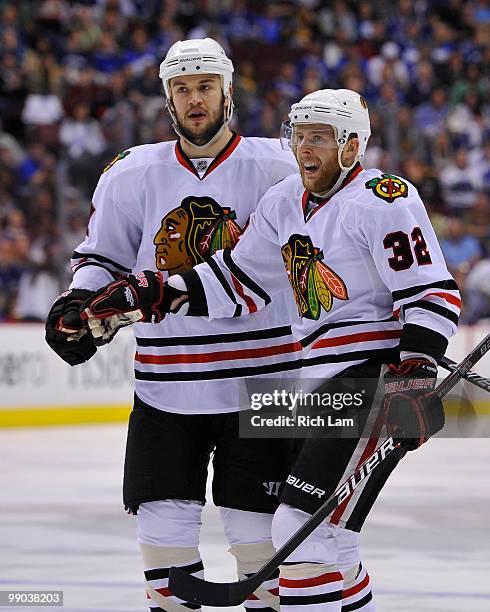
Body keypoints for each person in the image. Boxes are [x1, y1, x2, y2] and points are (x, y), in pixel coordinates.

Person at [80, 88, 461, 611]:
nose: (305, 148)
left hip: (367, 381)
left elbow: (431, 293)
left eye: (320, 138)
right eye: (299, 135)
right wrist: (160, 291)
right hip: (314, 387)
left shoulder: (384, 198)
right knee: (333, 540)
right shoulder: (284, 201)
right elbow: (237, 279)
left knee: (300, 531)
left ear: (352, 146)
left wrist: (415, 372)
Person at [45, 38, 302, 612]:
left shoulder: (278, 167)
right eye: (182, 89)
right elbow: (102, 259)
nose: (194, 99)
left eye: (205, 86)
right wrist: (76, 307)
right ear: (167, 100)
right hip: (166, 385)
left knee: (259, 543)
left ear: (228, 92)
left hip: (264, 383)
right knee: (163, 542)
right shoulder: (133, 172)